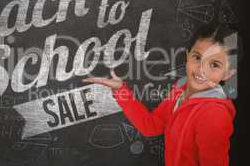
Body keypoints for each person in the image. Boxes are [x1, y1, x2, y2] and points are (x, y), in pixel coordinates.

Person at [82, 24, 240, 166]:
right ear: (187, 55)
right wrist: (120, 90)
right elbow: (151, 126)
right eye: (197, 58)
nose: (201, 70)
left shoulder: (214, 114)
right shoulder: (180, 89)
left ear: (227, 74)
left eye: (214, 65)